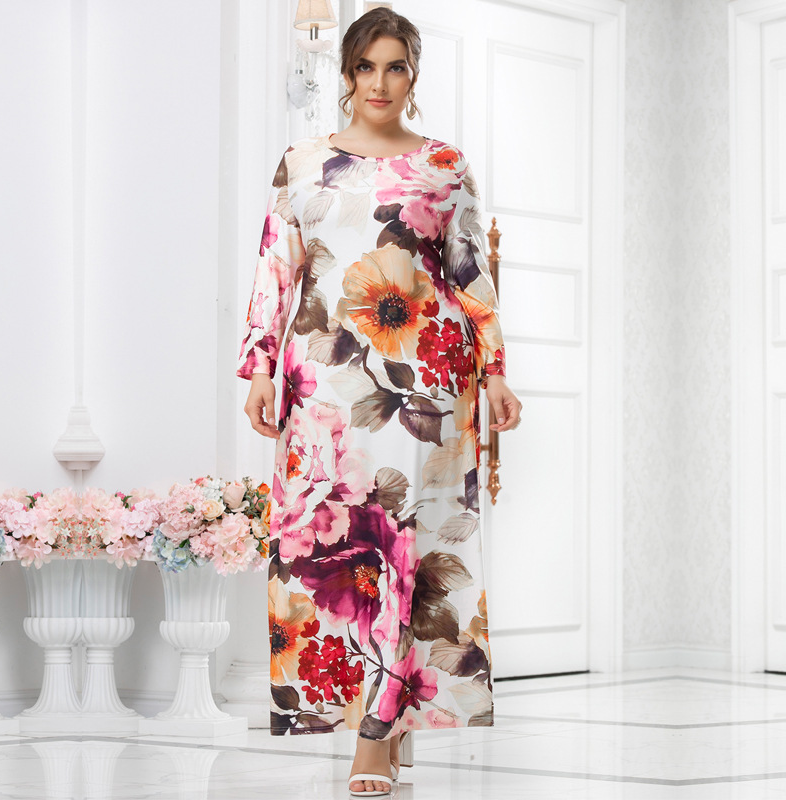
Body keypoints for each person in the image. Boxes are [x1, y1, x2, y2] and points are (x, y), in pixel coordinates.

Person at [237, 7, 522, 797]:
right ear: (346, 74)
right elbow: (276, 269)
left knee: (403, 546)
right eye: (366, 67)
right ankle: (382, 718)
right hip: (322, 384)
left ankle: (377, 736)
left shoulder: (443, 166)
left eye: (396, 67)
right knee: (330, 552)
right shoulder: (302, 164)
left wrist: (496, 369)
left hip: (421, 380)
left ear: (414, 76)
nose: (380, 83)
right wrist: (259, 367)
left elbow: (469, 273)